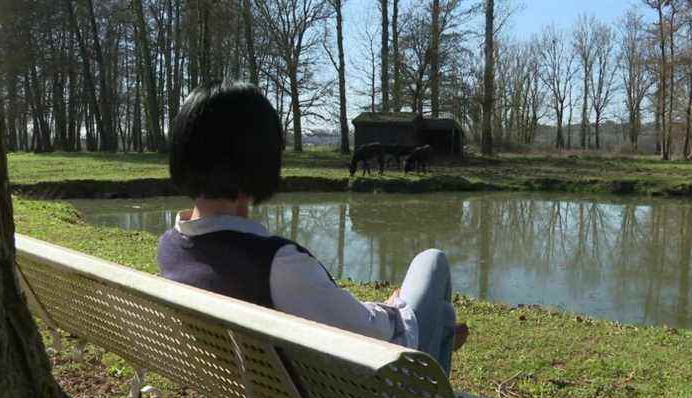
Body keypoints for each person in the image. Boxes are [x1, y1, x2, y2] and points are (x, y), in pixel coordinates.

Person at [157, 82, 468, 374]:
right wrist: (393, 306)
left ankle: (442, 331)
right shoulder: (277, 265)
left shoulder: (171, 247)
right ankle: (438, 351)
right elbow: (371, 332)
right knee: (432, 261)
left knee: (440, 317)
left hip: (260, 388)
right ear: (258, 163)